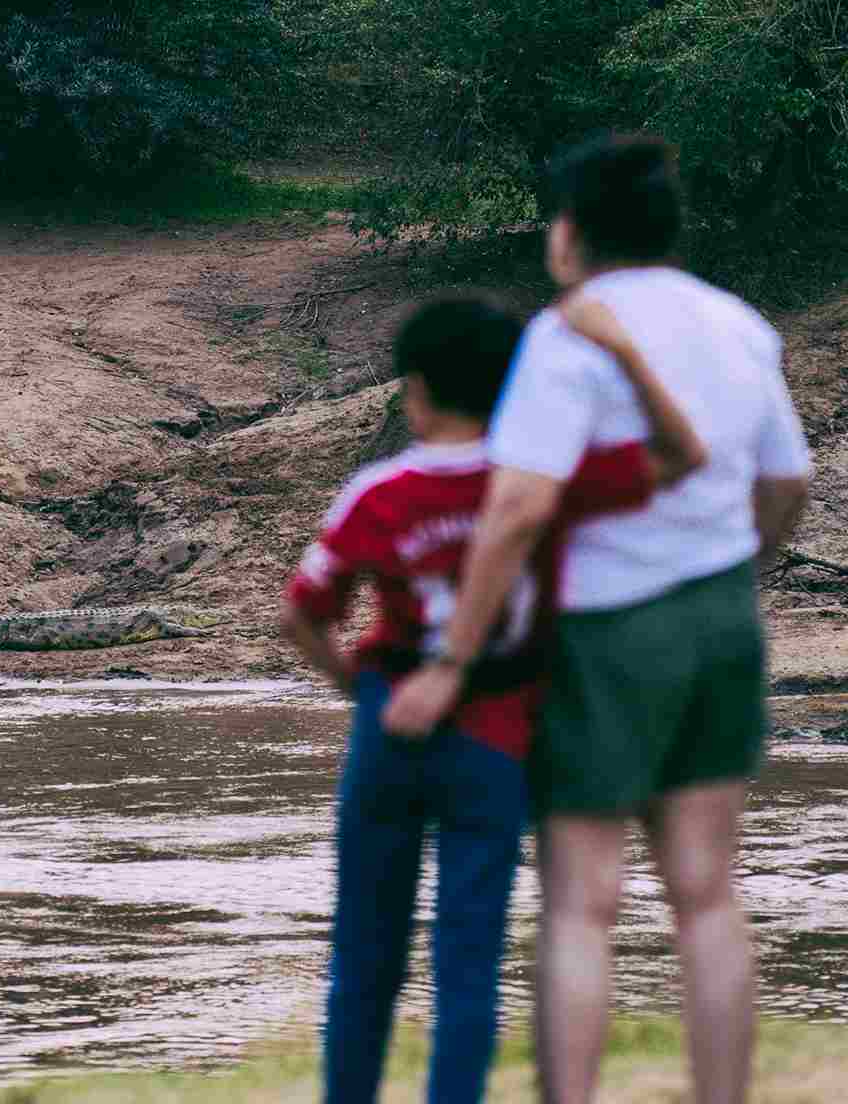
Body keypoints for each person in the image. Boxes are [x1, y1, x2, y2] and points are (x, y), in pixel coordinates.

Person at [381, 134, 813, 1104]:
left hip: (601, 631)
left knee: (582, 901)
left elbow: (518, 507)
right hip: (720, 618)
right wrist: (741, 568)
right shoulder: (738, 324)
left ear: (569, 232)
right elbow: (788, 481)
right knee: (707, 892)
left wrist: (454, 657)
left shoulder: (568, 332)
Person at [280, 290, 706, 1103]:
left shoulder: (379, 490)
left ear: (415, 389)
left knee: (364, 953)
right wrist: (624, 354)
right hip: (499, 730)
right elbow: (682, 454)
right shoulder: (549, 482)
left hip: (392, 722)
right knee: (468, 958)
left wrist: (356, 687)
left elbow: (300, 614)